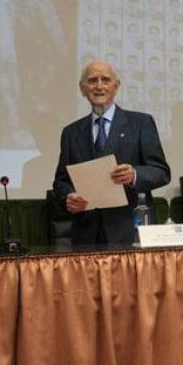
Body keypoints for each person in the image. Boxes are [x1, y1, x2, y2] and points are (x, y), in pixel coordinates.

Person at [53, 61, 170, 244]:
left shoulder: (140, 123)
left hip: (131, 230)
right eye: (92, 81)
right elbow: (61, 181)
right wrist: (68, 197)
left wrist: (134, 174)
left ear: (116, 86)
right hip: (86, 235)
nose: (99, 86)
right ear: (83, 89)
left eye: (106, 80)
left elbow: (161, 172)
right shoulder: (71, 133)